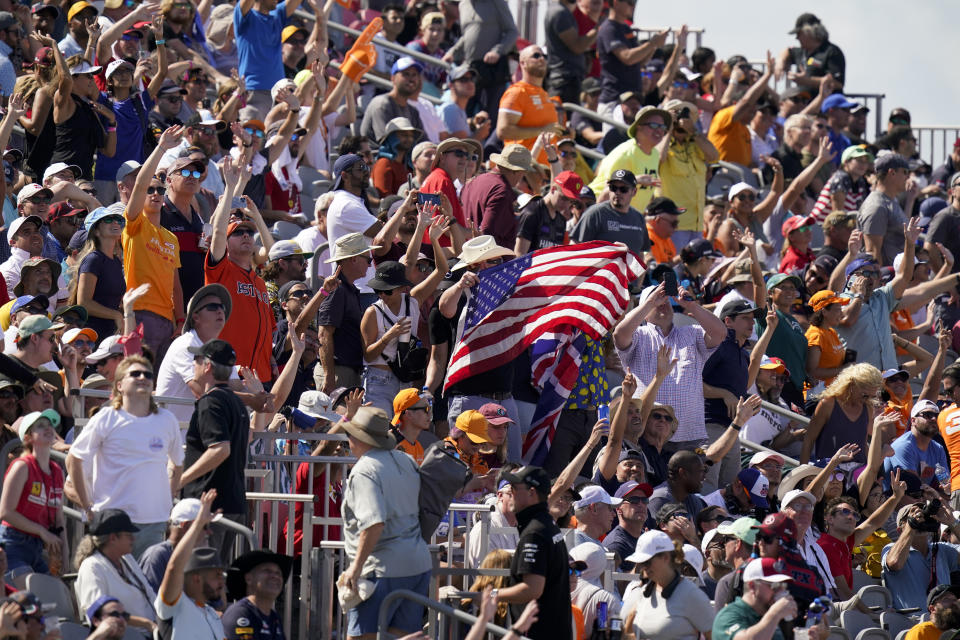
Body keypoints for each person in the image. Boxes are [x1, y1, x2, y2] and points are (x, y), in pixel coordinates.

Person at [66, 355, 184, 559]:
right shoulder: (106, 417)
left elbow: (178, 463)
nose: (143, 377)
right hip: (113, 524)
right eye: (135, 374)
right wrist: (88, 507)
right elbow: (74, 459)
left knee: (147, 588)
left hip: (154, 522)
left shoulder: (167, 419)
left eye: (147, 374)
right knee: (115, 586)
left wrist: (168, 498)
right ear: (119, 385)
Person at [339, 406, 431, 639]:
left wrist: (355, 567)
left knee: (361, 637)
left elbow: (374, 524)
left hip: (382, 567)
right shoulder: (405, 460)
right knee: (401, 636)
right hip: (417, 563)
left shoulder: (364, 470)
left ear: (357, 438)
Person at [614, 281, 726, 453]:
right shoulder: (639, 336)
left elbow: (720, 333)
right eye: (657, 300)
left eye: (666, 301)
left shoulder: (691, 333)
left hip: (689, 435)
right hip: (646, 432)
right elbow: (619, 334)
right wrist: (651, 302)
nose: (662, 304)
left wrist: (691, 306)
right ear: (644, 311)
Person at [179, 339, 250, 561]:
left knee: (201, 576)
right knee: (216, 577)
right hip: (232, 500)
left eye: (196, 360)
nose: (194, 365)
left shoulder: (211, 402)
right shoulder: (236, 403)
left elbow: (220, 449)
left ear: (207, 366)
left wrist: (180, 480)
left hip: (210, 504)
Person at [121, 125, 184, 359]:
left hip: (167, 322)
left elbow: (175, 285)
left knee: (161, 391)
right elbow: (139, 184)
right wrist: (161, 148)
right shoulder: (135, 224)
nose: (155, 193)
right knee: (138, 376)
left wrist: (180, 320)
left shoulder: (171, 238)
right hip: (139, 313)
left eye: (159, 189)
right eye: (150, 190)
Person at [493, 465, 571, 639]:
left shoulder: (535, 532)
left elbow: (532, 589)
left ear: (531, 493)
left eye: (514, 487)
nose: (510, 492)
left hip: (539, 632)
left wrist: (491, 595)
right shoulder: (546, 524)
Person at [0, 409, 66, 576]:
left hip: (38, 547)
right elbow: (5, 512)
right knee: (32, 595)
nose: (48, 428)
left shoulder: (57, 471)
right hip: (12, 544)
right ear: (28, 438)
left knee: (57, 594)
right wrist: (42, 531)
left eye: (50, 425)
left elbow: (59, 520)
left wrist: (65, 556)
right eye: (40, 426)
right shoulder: (21, 466)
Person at [155, 284, 233, 423]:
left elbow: (235, 386)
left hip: (193, 439)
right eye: (213, 307)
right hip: (170, 440)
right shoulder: (185, 345)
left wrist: (256, 396)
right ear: (196, 317)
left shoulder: (221, 349)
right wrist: (251, 399)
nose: (220, 311)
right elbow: (202, 391)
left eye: (222, 307)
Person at [74, 509, 158, 635]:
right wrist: (146, 623)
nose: (133, 539)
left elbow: (150, 593)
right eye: (129, 535)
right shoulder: (92, 567)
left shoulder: (127, 559)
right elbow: (99, 614)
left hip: (152, 632)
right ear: (113, 538)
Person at [154, 490, 224, 640]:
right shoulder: (176, 606)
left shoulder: (212, 615)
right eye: (217, 575)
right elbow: (174, 568)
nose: (222, 581)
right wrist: (198, 524)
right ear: (197, 578)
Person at [620, 529, 713, 640]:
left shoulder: (691, 595)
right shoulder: (639, 593)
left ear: (665, 558)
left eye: (647, 562)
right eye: (641, 562)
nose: (643, 567)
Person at [317, 232, 378, 393]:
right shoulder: (338, 290)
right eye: (368, 260)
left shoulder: (347, 290)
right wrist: (329, 377)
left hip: (344, 371)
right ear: (354, 259)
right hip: (338, 373)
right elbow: (324, 333)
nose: (370, 265)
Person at [443, 0, 518, 122]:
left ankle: (489, 141)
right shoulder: (463, 5)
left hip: (492, 69)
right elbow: (467, 36)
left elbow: (512, 32)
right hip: (470, 68)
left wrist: (497, 51)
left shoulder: (497, 3)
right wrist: (453, 52)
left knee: (490, 117)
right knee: (466, 114)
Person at [587, 106, 670, 213]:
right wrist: (634, 180)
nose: (659, 130)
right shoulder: (625, 154)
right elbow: (606, 192)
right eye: (653, 125)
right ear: (639, 127)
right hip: (599, 211)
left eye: (662, 127)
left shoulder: (654, 154)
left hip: (625, 218)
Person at [234, 0, 308, 118]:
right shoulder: (246, 16)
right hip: (255, 92)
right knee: (253, 136)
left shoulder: (276, 16)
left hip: (280, 94)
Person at [883, 501, 960, 610]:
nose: (919, 518)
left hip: (945, 620)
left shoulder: (941, 549)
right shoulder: (890, 549)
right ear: (900, 530)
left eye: (923, 514)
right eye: (911, 516)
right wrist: (911, 526)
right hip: (911, 621)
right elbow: (894, 562)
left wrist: (952, 522)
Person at [139, 497, 220, 592]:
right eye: (205, 526)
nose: (210, 532)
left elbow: (219, 603)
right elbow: (153, 602)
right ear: (186, 527)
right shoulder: (158, 555)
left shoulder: (196, 558)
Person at [707, 53, 774, 167]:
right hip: (720, 176)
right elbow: (746, 102)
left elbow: (745, 162)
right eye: (750, 110)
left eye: (754, 111)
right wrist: (767, 75)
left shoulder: (746, 131)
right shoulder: (723, 117)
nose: (753, 114)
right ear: (735, 105)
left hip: (739, 177)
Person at [462, 143, 534, 249]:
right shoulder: (501, 191)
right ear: (517, 171)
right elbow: (487, 234)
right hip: (489, 260)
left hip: (468, 254)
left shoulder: (473, 181)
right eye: (523, 173)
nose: (521, 177)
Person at [495, 45, 558, 163]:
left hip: (545, 170)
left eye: (544, 56)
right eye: (536, 56)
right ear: (523, 63)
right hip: (522, 170)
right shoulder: (517, 92)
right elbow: (503, 131)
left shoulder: (544, 93)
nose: (542, 59)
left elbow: (547, 130)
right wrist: (542, 130)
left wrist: (564, 134)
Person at [711, 557, 798, 640]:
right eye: (774, 585)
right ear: (752, 586)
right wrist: (775, 614)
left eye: (783, 585)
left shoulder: (770, 618)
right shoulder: (729, 615)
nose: (780, 592)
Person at [74, 207, 125, 343]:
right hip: (92, 336)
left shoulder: (116, 261)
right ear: (96, 231)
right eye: (108, 220)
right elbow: (84, 303)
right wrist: (116, 315)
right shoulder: (93, 259)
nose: (115, 223)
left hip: (111, 333)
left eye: (117, 220)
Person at [572, 169, 650, 257]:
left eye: (623, 189)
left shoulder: (639, 218)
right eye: (613, 188)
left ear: (634, 192)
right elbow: (574, 245)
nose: (617, 192)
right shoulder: (595, 213)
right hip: (600, 270)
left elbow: (640, 253)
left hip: (628, 270)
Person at [859, 152, 917, 266]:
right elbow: (873, 253)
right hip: (887, 278)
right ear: (892, 173)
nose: (908, 177)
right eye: (905, 172)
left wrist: (910, 200)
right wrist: (881, 282)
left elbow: (903, 230)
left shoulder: (890, 201)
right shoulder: (876, 206)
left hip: (898, 277)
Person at [222, 549, 292, 640]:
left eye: (278, 573)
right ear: (248, 579)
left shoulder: (274, 618)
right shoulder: (240, 614)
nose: (275, 576)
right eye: (267, 571)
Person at [359, 57, 426, 144]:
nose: (411, 79)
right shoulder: (382, 104)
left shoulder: (413, 111)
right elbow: (387, 143)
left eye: (414, 75)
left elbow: (423, 142)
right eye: (406, 74)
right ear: (393, 78)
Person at [514, 170, 581, 254]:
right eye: (564, 198)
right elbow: (519, 254)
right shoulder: (532, 213)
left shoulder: (561, 221)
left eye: (571, 201)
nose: (566, 205)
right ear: (553, 189)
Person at [805, 290, 849, 388]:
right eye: (838, 309)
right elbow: (812, 372)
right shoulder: (815, 335)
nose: (842, 314)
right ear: (824, 311)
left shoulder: (831, 331)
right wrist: (844, 369)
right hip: (817, 396)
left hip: (832, 392)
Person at [603, 481, 652, 570]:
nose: (641, 505)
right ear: (618, 508)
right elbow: (616, 583)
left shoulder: (646, 538)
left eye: (644, 500)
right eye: (634, 500)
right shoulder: (616, 545)